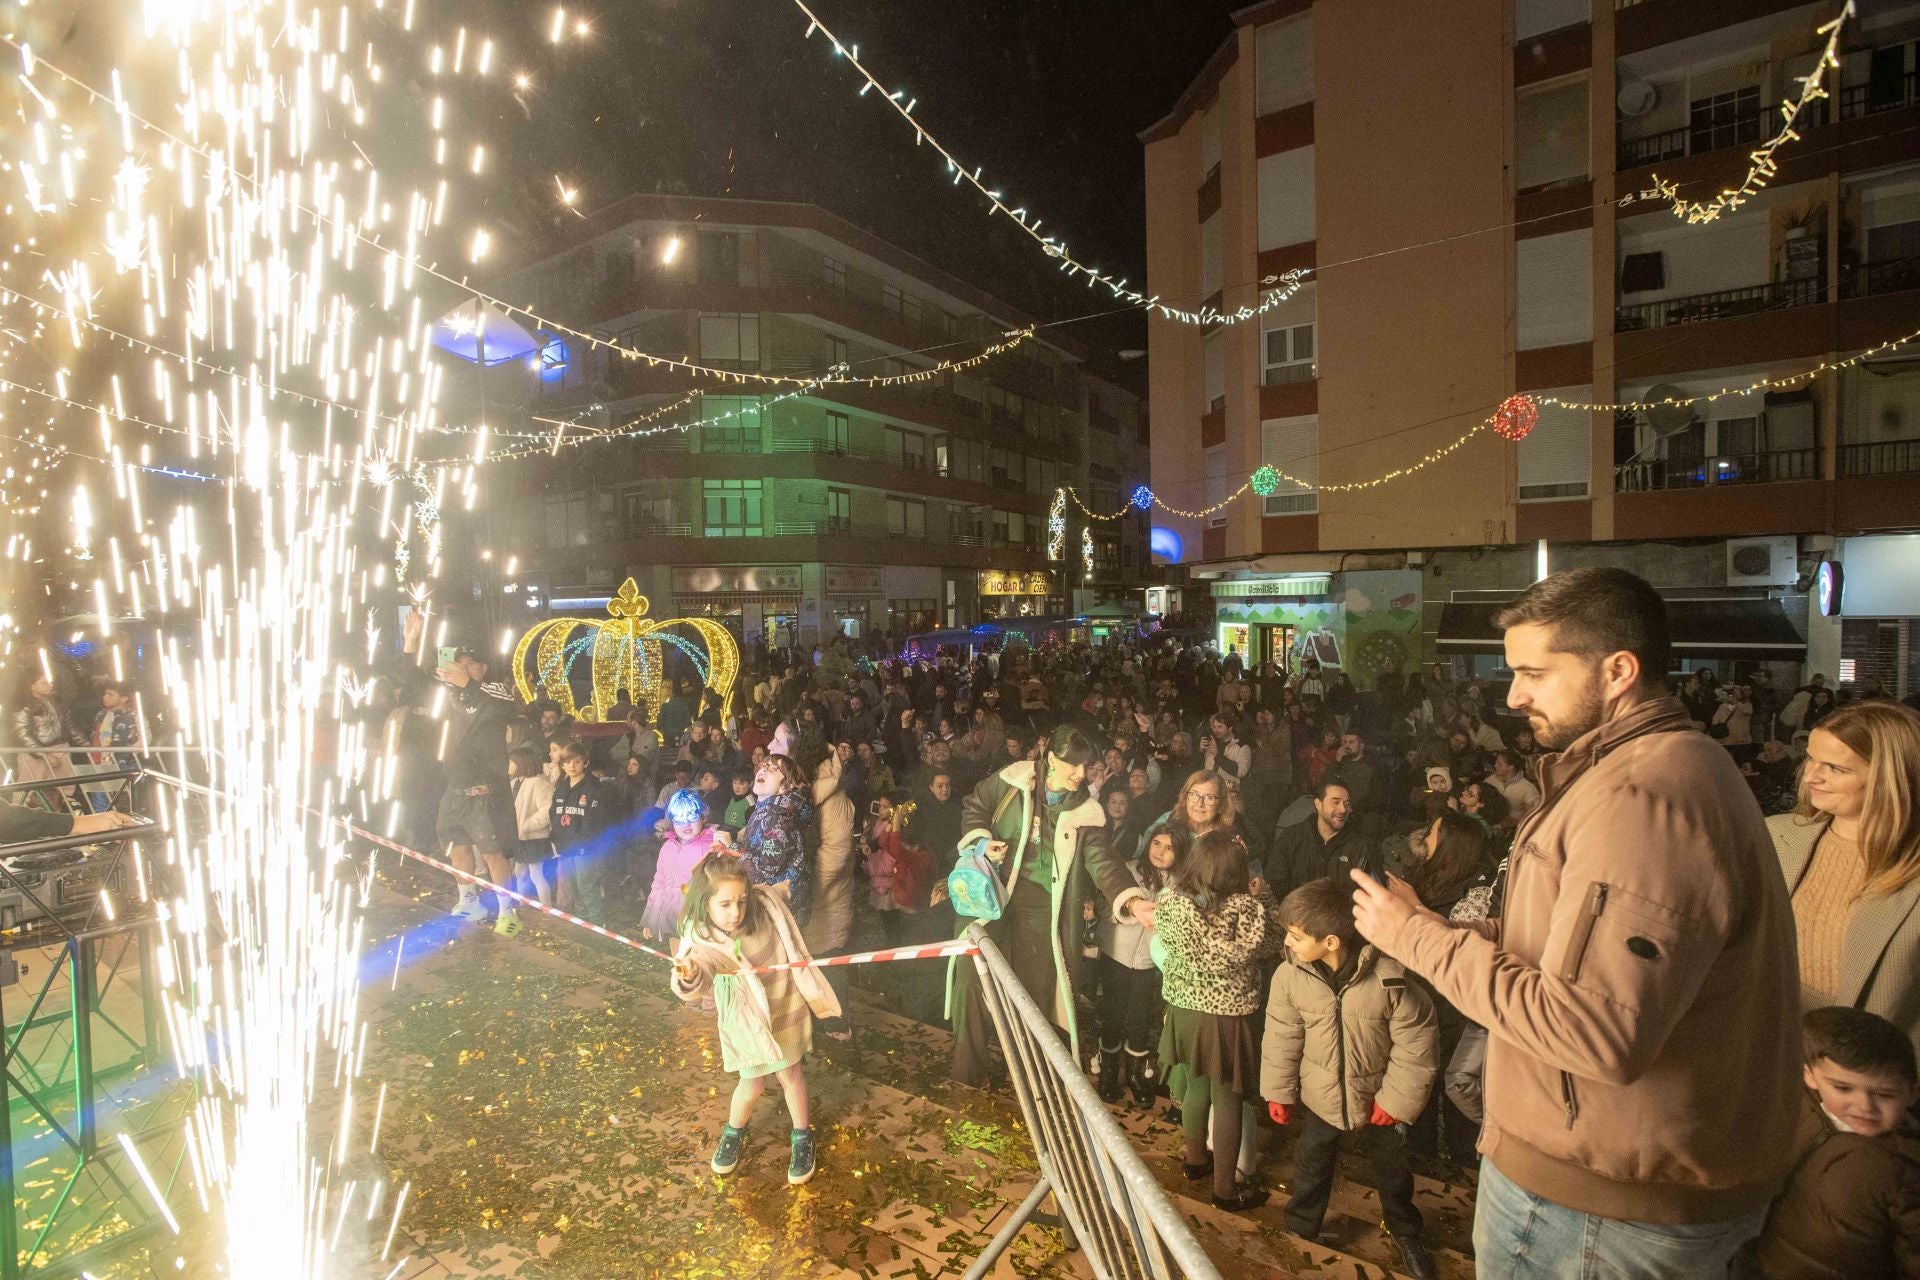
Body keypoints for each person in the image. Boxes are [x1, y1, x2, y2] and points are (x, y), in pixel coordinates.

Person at [1350, 567, 1802, 1277]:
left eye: (1534, 672)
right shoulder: (1645, 771)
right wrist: (1463, 934)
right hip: (1616, 1187)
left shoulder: (1641, 796)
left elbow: (1593, 1032)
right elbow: (1572, 946)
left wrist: (1414, 937)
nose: (1512, 695)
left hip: (1598, 1210)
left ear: (1618, 670)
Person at [1264, 877, 1439, 1279]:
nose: (1288, 943)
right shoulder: (1290, 976)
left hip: (1379, 1097)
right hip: (1322, 1095)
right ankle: (1301, 1228)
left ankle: (1405, 1230)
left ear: (1331, 941)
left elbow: (1416, 1046)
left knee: (1393, 1170)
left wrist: (1394, 1101)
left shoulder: (1391, 979)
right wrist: (1279, 1091)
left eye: (1295, 935)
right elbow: (1281, 1035)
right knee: (1311, 1162)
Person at [946, 726, 1131, 1086]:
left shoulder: (1085, 811)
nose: (1081, 774)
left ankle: (1031, 1079)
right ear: (1051, 759)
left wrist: (1130, 898)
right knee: (972, 978)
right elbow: (975, 806)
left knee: (1036, 992)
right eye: (1073, 766)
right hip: (993, 896)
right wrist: (983, 842)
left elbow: (1103, 860)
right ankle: (968, 1073)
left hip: (1044, 910)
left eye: (1086, 766)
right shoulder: (1013, 781)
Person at [670, 853, 841, 1186]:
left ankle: (802, 1137)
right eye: (724, 904)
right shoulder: (704, 939)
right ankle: (734, 1132)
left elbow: (774, 897)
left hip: (785, 1006)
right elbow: (698, 973)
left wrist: (784, 889)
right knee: (752, 1081)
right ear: (705, 903)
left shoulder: (762, 907)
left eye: (741, 901)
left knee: (791, 1073)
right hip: (748, 1020)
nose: (735, 912)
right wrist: (689, 972)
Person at [1768, 701, 1920, 1054]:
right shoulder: (1774, 838)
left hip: (1866, 1081)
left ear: (1891, 776)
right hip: (1765, 1054)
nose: (1810, 776)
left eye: (1835, 768)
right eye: (1810, 758)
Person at [1154, 829, 1284, 1212]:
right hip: (1226, 1015)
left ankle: (1195, 1161)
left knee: (1196, 1084)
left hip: (1183, 1008)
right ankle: (1225, 1190)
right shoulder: (1246, 908)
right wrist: (1265, 896)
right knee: (1227, 1098)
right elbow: (1273, 942)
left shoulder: (1173, 902)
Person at [1742, 1007, 1920, 1280]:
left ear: (1912, 1094)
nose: (1864, 1107)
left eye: (1884, 1094)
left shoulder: (1905, 1168)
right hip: (1765, 1258)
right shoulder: (1790, 1106)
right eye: (1843, 1088)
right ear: (1810, 1077)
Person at [1094, 823, 1185, 1107]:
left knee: (1139, 1018)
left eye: (1169, 847)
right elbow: (1103, 906)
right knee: (1112, 1014)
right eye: (1156, 843)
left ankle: (1137, 1075)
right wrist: (1134, 911)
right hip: (1116, 955)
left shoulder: (1180, 883)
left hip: (1148, 962)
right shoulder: (1128, 871)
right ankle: (1107, 1073)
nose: (1160, 851)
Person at [802, 747, 857, 1039]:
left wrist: (804, 882)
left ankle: (837, 1023)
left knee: (829, 961)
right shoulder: (806, 790)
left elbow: (836, 855)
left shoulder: (833, 798)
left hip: (825, 897)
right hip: (809, 896)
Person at [1268, 781, 1379, 899]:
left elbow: (1371, 893)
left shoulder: (1361, 845)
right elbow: (1275, 883)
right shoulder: (1292, 838)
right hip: (1298, 914)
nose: (1343, 809)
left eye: (1346, 804)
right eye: (1335, 802)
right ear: (1318, 804)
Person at [740, 754, 814, 924]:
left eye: (773, 769)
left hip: (779, 908)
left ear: (785, 787)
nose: (763, 770)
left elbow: (767, 867)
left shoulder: (776, 814)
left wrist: (731, 862)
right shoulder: (769, 809)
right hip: (778, 904)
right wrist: (732, 848)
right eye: (763, 766)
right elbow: (761, 851)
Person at [641, 788, 720, 941]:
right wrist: (650, 917)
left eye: (692, 817)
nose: (686, 825)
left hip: (699, 921)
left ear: (703, 816)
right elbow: (659, 883)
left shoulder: (712, 847)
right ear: (672, 821)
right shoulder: (667, 848)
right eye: (679, 819)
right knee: (678, 960)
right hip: (671, 919)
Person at [549, 741, 611, 927]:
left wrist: (584, 843)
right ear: (562, 764)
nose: (572, 766)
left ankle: (598, 924)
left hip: (585, 847)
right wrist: (556, 838)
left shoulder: (593, 788)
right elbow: (553, 814)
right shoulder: (561, 787)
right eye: (567, 762)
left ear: (585, 762)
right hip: (565, 846)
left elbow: (594, 820)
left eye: (576, 761)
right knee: (573, 885)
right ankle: (583, 921)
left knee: (587, 885)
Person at [507, 746, 556, 910]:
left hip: (534, 838)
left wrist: (527, 825)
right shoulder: (516, 783)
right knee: (520, 873)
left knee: (536, 875)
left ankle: (546, 909)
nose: (508, 765)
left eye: (511, 761)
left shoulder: (539, 783)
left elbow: (547, 810)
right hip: (520, 837)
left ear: (521, 763)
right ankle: (523, 904)